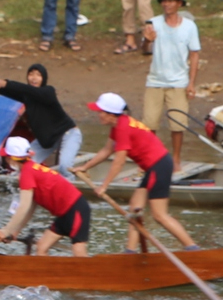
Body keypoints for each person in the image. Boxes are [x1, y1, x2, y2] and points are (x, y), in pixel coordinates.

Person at [77, 91, 196, 251]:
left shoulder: (123, 129)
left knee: (159, 215)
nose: (98, 115)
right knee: (134, 209)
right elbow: (106, 150)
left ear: (111, 114)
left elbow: (119, 162)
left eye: (101, 112)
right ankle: (130, 252)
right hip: (154, 167)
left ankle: (192, 248)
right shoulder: (118, 125)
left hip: (159, 166)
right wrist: (84, 167)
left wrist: (104, 186)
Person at [0, 137, 90, 257]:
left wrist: (6, 230)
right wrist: (15, 231)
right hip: (63, 213)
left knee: (78, 250)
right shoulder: (30, 168)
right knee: (41, 247)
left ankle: (92, 275)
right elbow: (30, 207)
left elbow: (23, 206)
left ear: (10, 159)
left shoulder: (27, 174)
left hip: (75, 209)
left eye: (6, 158)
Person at [0, 63, 80, 173]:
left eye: (38, 75)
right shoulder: (27, 97)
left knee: (65, 166)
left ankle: (71, 188)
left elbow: (24, 89)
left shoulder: (48, 92)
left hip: (68, 134)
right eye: (31, 74)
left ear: (43, 78)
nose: (34, 78)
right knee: (23, 166)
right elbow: (12, 91)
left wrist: (4, 83)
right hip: (46, 139)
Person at [141, 0, 200, 159]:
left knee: (177, 125)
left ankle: (176, 159)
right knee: (149, 124)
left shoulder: (189, 26)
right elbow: (145, 49)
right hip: (155, 81)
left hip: (179, 82)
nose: (167, 4)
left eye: (171, 1)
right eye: (164, 1)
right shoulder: (153, 23)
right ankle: (150, 158)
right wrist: (146, 40)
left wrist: (191, 83)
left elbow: (194, 55)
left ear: (179, 4)